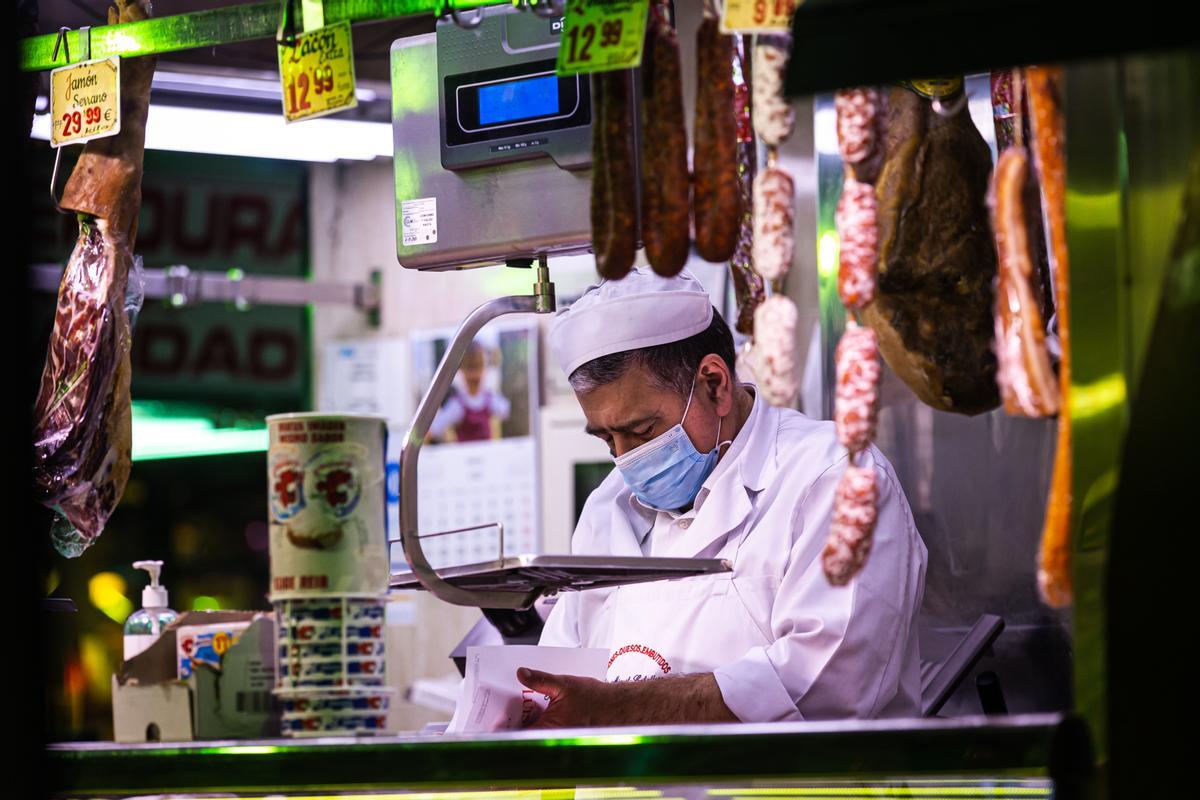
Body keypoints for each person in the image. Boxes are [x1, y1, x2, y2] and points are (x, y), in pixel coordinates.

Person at [518, 267, 927, 726]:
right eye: (605, 439)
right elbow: (564, 674)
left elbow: (830, 688)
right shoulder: (607, 507)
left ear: (714, 384)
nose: (624, 459)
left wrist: (617, 709)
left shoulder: (832, 476)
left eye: (640, 431)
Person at [428, 340, 511, 443]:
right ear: (462, 370)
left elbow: (505, 410)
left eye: (478, 367)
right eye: (470, 368)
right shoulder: (457, 405)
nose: (474, 376)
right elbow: (434, 429)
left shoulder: (490, 399)